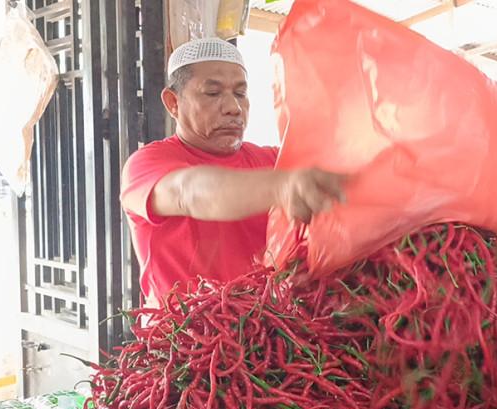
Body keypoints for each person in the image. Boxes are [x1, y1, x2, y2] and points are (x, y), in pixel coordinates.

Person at [121, 38, 346, 307]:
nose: (233, 108)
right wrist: (281, 187)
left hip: (268, 327)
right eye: (212, 93)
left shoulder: (275, 162)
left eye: (240, 94)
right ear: (173, 102)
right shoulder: (147, 164)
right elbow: (188, 193)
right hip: (186, 331)